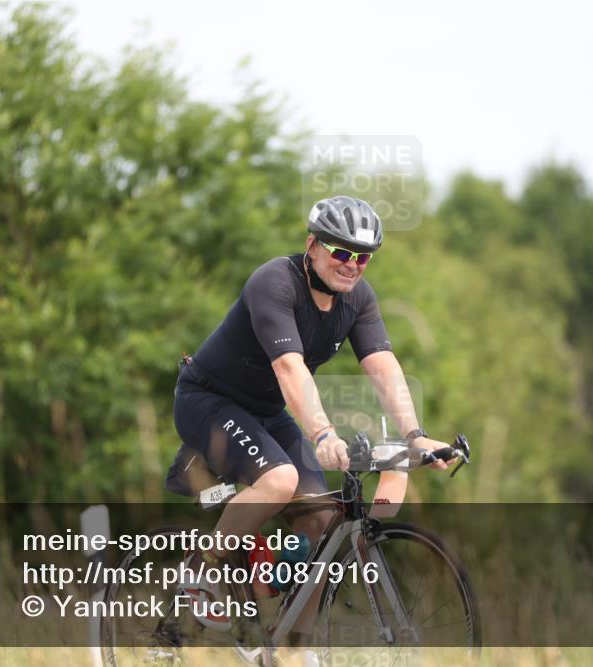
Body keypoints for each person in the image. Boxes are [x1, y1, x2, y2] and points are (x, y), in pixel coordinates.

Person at [165, 195, 451, 646]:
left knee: (321, 521)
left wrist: (415, 437)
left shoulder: (357, 299)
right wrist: (322, 434)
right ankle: (198, 574)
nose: (352, 265)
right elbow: (289, 368)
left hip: (265, 412)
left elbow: (382, 364)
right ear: (312, 245)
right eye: (341, 252)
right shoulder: (275, 282)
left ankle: (293, 648)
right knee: (280, 480)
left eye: (362, 257)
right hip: (208, 400)